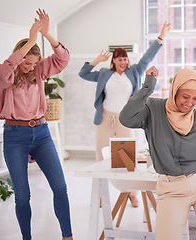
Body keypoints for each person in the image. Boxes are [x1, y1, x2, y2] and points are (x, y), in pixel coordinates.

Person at [119, 67, 196, 240]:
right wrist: (148, 86)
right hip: (171, 189)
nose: (189, 103)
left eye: (195, 98)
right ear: (175, 90)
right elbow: (126, 118)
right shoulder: (153, 109)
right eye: (185, 96)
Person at [0, 9, 73, 240]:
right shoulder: (3, 73)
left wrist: (47, 34)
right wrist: (31, 40)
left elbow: (63, 59)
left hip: (41, 133)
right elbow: (7, 68)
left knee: (60, 187)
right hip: (14, 136)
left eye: (33, 64)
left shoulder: (38, 71)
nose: (29, 68)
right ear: (20, 56)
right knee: (22, 196)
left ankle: (67, 236)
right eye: (26, 63)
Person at [78, 22, 170, 207]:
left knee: (127, 158)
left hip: (125, 120)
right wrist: (96, 60)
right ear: (113, 61)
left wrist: (160, 37)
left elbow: (147, 57)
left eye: (125, 59)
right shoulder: (104, 73)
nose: (123, 62)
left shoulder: (134, 72)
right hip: (104, 118)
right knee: (101, 157)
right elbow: (83, 73)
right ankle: (101, 196)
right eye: (119, 59)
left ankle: (131, 193)